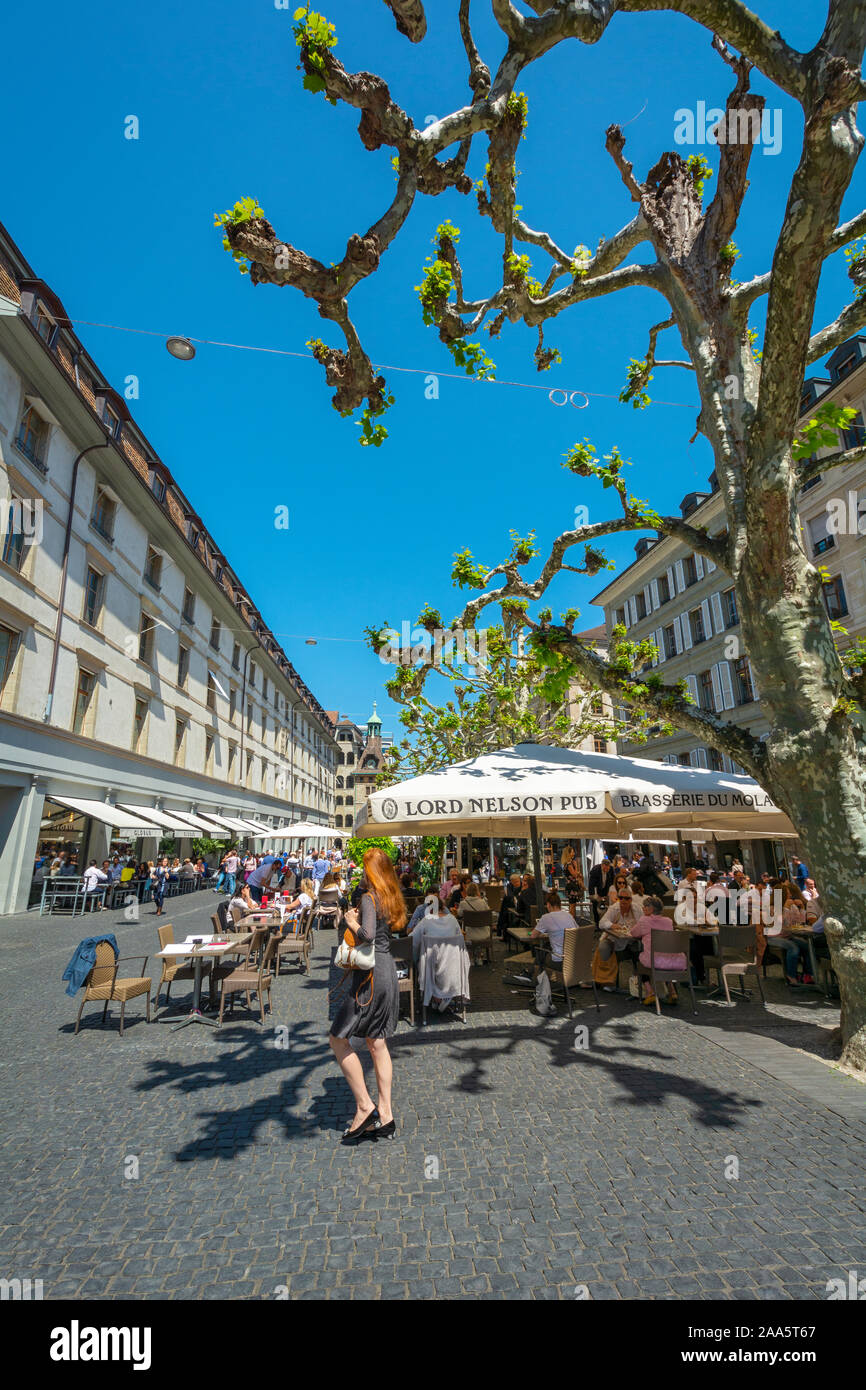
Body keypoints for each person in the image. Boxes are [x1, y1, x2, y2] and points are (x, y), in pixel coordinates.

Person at [329, 847, 405, 1145]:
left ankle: (364, 1105)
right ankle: (385, 1113)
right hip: (387, 972)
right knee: (377, 1042)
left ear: (371, 871)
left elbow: (368, 935)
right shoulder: (391, 897)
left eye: (364, 869)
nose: (361, 873)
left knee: (338, 1038)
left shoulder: (369, 897)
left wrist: (351, 921)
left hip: (370, 976)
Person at [630, 896, 687, 1006]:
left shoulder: (644, 920)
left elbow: (633, 933)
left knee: (636, 955)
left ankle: (649, 990)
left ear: (651, 908)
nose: (643, 908)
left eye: (645, 906)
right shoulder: (669, 921)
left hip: (654, 961)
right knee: (665, 956)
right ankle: (672, 991)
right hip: (674, 961)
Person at [531, 890, 574, 965]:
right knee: (547, 946)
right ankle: (535, 972)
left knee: (543, 950)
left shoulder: (546, 917)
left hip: (558, 958)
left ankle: (535, 972)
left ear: (548, 904)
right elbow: (577, 931)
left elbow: (533, 935)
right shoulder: (568, 915)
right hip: (572, 956)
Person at [587, 857, 614, 925]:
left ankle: (605, 922)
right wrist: (595, 896)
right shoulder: (595, 870)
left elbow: (612, 881)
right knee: (596, 907)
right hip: (596, 890)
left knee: (604, 907)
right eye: (605, 868)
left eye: (608, 868)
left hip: (605, 890)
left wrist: (609, 892)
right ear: (602, 865)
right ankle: (597, 924)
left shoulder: (610, 870)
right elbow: (591, 885)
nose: (606, 870)